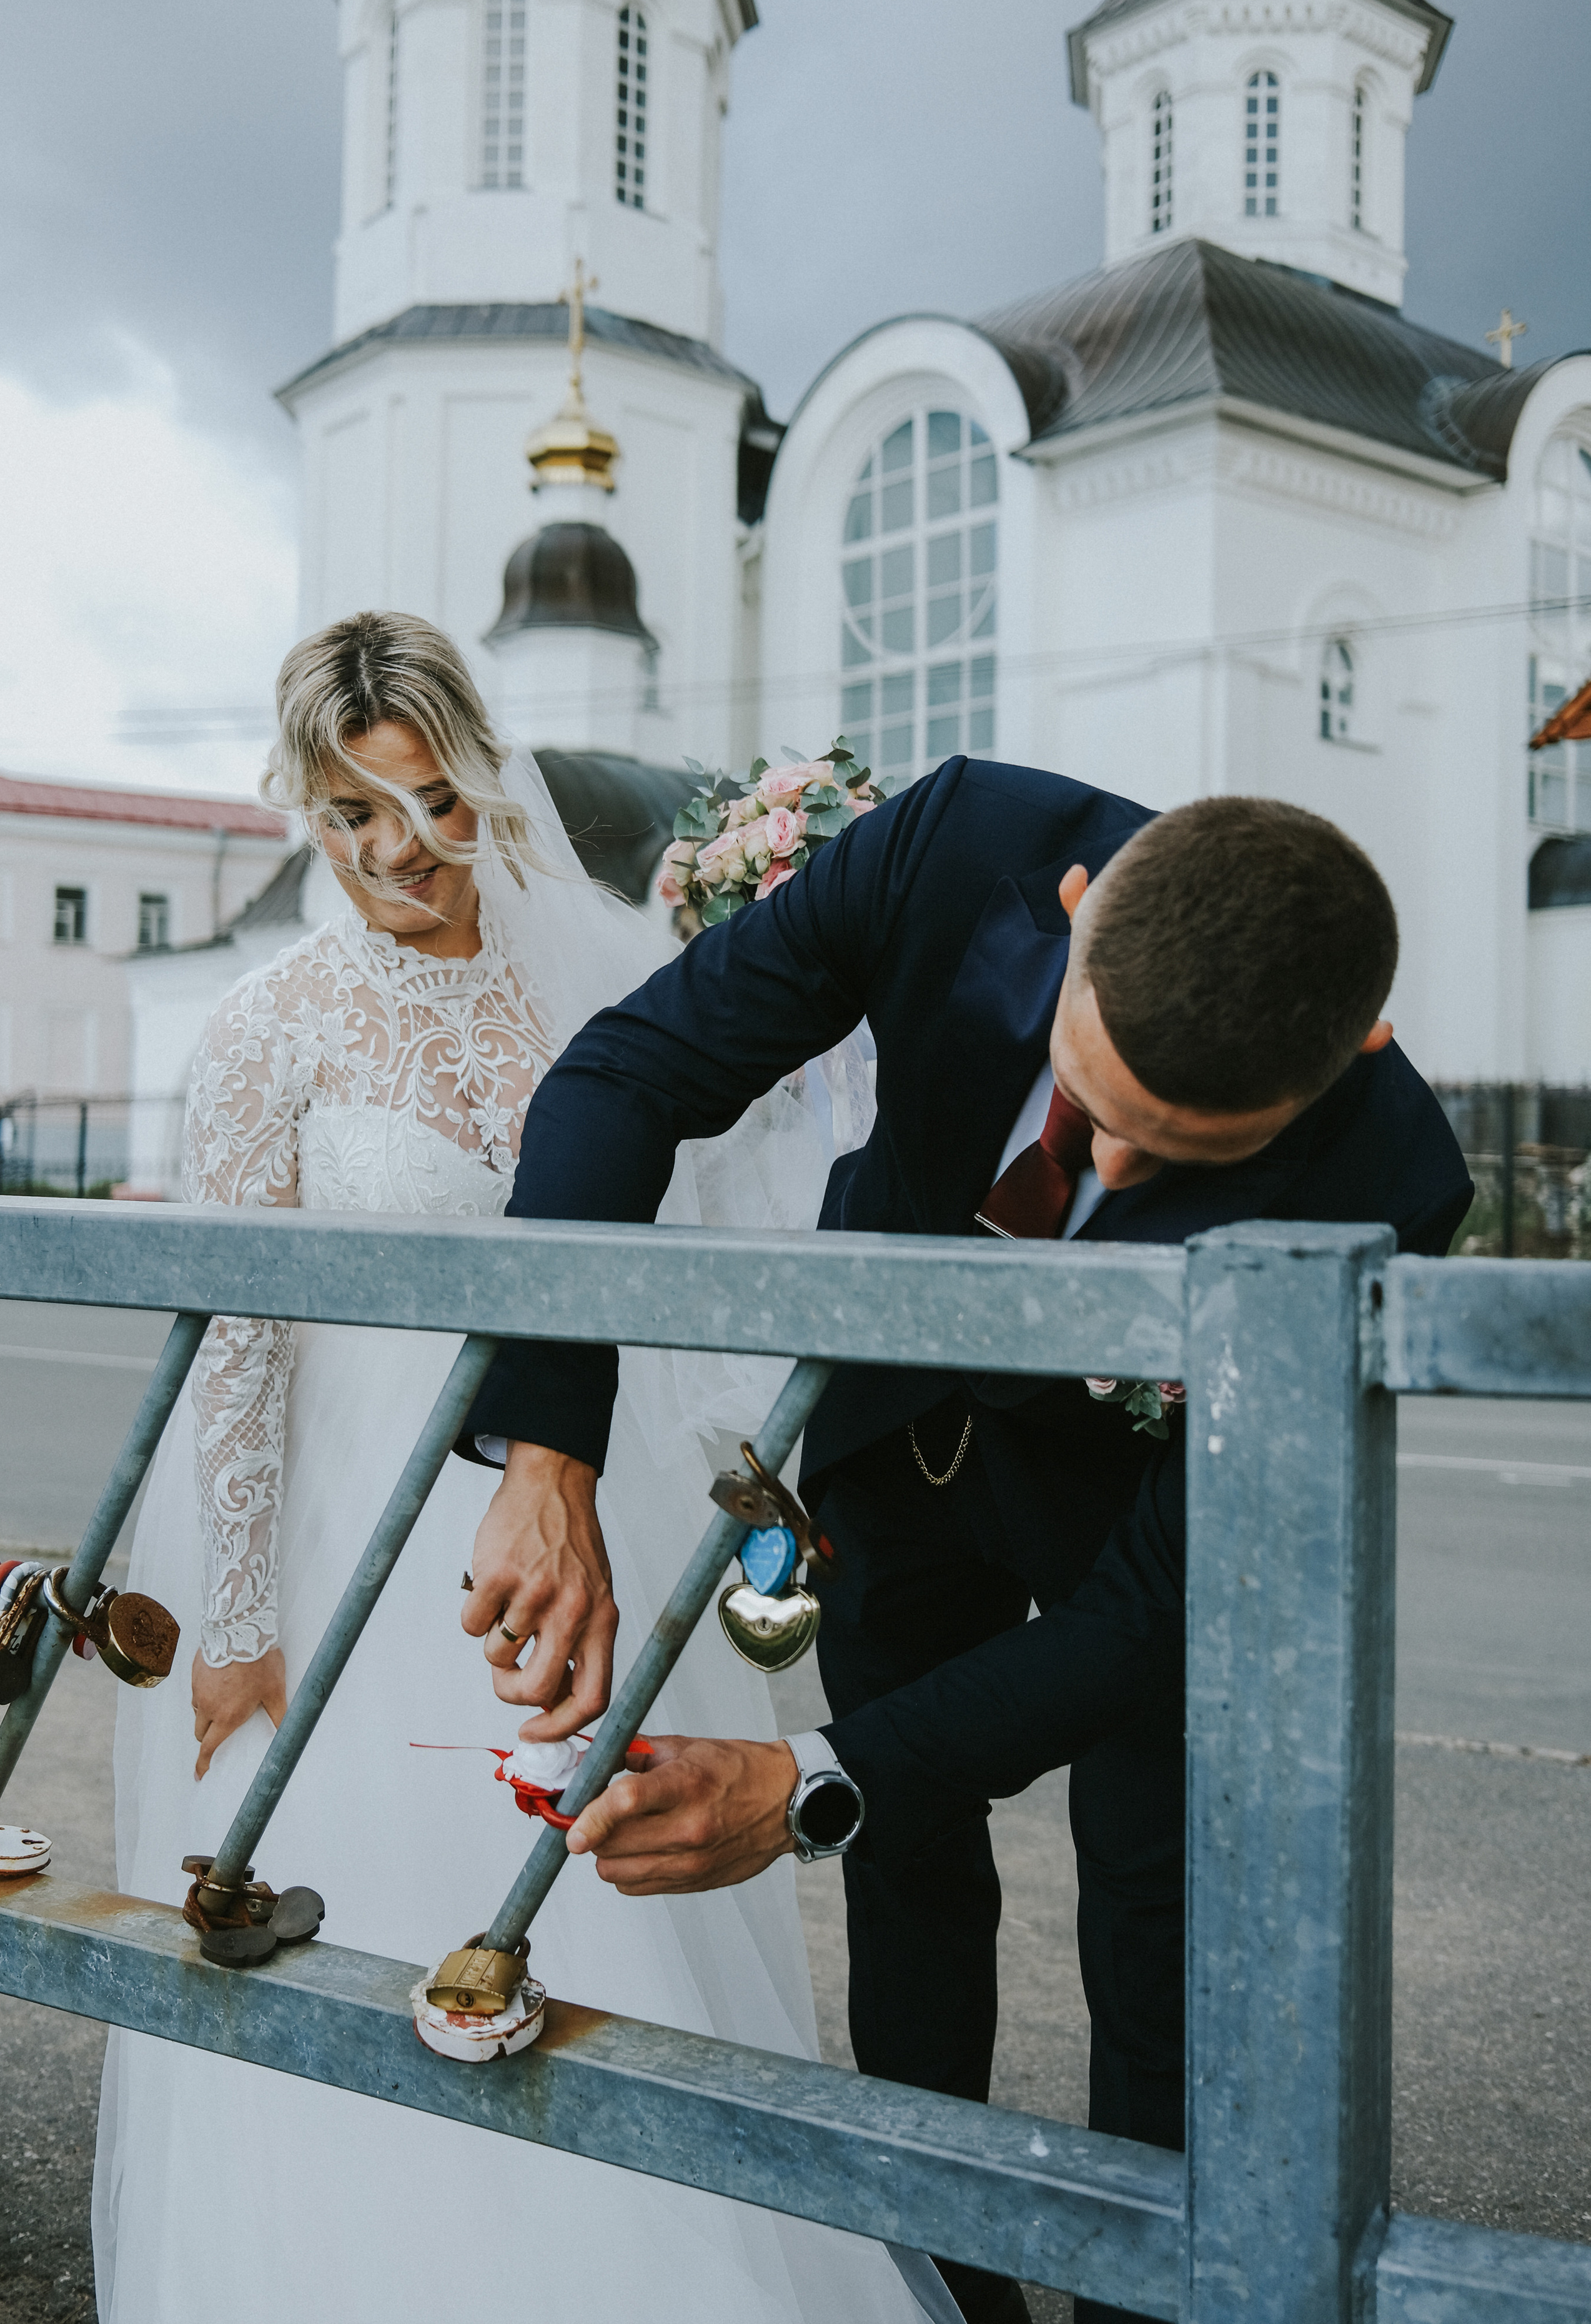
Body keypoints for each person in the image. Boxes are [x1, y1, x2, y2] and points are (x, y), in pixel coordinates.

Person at [460, 761, 1474, 2324]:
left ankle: (1150, 2285)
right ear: (1071, 919)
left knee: (1160, 1906)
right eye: (1097, 1100)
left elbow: (1152, 1607)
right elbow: (625, 1074)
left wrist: (798, 1781)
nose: (1109, 1177)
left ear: (1354, 1055)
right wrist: (547, 1444)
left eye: (1177, 1152)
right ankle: (936, 2278)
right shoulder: (962, 846)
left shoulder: (1389, 1173)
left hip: (1125, 1529)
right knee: (909, 1887)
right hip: (895, 1436)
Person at [95, 613, 941, 2324]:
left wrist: (744, 1500)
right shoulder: (270, 1030)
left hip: (595, 1516)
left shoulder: (610, 978)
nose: (400, 853)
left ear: (487, 782)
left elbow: (687, 1249)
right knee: (373, 1937)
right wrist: (244, 1623)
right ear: (301, 810)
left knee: (612, 1920)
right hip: (358, 1554)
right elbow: (236, 1348)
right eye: (352, 816)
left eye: (433, 803)